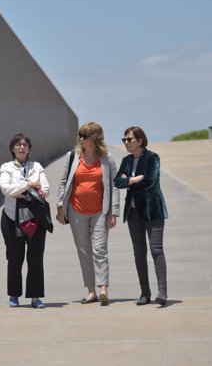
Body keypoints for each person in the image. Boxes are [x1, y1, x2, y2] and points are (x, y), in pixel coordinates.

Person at [56, 122, 120, 306]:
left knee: (99, 250)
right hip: (76, 211)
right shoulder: (73, 157)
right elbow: (63, 183)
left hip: (101, 211)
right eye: (80, 135)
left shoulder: (107, 158)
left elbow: (114, 186)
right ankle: (91, 290)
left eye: (85, 136)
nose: (81, 139)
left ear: (95, 138)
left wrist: (114, 212)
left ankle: (103, 289)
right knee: (84, 252)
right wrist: (61, 206)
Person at [114, 126, 169, 306]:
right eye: (124, 140)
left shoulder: (152, 158)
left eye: (129, 140)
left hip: (152, 210)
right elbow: (117, 181)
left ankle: (162, 292)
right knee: (139, 253)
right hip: (133, 212)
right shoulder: (126, 160)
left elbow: (149, 181)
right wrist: (132, 180)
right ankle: (145, 292)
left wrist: (130, 181)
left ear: (140, 140)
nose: (126, 143)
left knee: (156, 250)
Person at [0, 133, 51, 308]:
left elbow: (45, 188)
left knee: (36, 258)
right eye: (18, 145)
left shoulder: (36, 166)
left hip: (35, 217)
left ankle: (35, 297)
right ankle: (14, 295)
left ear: (29, 148)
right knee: (14, 257)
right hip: (11, 217)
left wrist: (20, 191)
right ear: (12, 148)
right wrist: (29, 185)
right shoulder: (6, 167)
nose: (22, 147)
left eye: (25, 145)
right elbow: (6, 188)